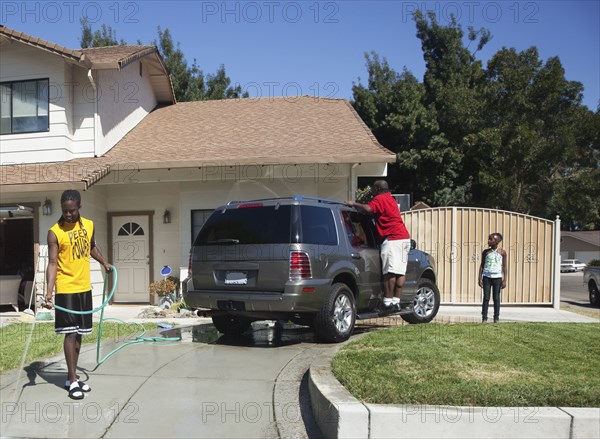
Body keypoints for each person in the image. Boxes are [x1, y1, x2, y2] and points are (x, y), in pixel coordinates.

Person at [44, 190, 111, 400]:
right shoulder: (55, 232)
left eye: (72, 211)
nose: (68, 215)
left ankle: (70, 378)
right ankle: (73, 380)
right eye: (65, 211)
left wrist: (104, 262)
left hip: (84, 287)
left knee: (80, 333)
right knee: (70, 334)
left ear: (79, 208)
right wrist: (48, 291)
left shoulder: (88, 225)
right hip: (66, 289)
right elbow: (53, 263)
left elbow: (91, 247)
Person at [347, 180, 411, 312]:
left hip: (392, 239)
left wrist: (353, 203)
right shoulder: (390, 199)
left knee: (389, 272)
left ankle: (387, 303)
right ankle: (396, 302)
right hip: (404, 238)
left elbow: (368, 209)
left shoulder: (380, 199)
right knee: (400, 272)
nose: (372, 192)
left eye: (373, 189)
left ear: (377, 189)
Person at [478, 233, 507, 323]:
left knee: (496, 298)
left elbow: (504, 267)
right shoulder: (486, 252)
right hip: (487, 277)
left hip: (497, 278)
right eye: (488, 239)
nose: (488, 241)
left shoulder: (502, 252)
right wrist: (479, 278)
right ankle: (484, 318)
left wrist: (505, 279)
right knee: (486, 297)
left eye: (491, 239)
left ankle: (496, 318)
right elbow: (482, 266)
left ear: (497, 241)